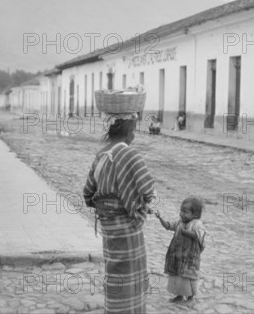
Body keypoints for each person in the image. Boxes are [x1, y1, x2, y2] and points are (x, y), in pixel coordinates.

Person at [84, 114, 157, 313]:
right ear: (129, 132)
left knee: (115, 270)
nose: (134, 134)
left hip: (108, 227)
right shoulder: (131, 155)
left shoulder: (101, 155)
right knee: (132, 271)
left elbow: (88, 192)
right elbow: (148, 190)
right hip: (127, 226)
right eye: (134, 130)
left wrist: (107, 208)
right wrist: (143, 202)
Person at [154, 197, 205, 307]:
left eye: (185, 212)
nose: (181, 214)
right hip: (178, 256)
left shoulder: (197, 223)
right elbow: (168, 226)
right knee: (177, 276)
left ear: (195, 214)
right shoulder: (180, 222)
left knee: (189, 276)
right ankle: (180, 295)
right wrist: (160, 218)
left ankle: (191, 298)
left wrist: (186, 232)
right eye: (181, 211)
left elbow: (198, 235)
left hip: (190, 258)